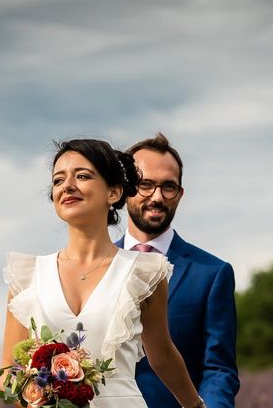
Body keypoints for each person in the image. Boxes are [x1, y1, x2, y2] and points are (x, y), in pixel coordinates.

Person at [0, 139, 206, 408]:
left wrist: (195, 405)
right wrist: (38, 398)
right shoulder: (27, 277)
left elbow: (163, 355)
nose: (68, 186)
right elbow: (7, 372)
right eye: (58, 180)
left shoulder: (144, 273)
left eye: (83, 176)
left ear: (114, 193)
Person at [116, 133, 240, 408]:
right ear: (124, 189)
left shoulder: (212, 274)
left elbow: (218, 369)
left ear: (180, 195)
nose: (157, 197)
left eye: (168, 187)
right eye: (145, 185)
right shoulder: (96, 266)